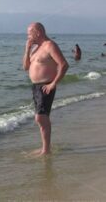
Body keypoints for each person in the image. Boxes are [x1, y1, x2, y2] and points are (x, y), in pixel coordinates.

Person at [22, 22, 69, 156]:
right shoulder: (35, 48)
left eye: (29, 33)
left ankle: (46, 150)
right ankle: (45, 148)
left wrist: (53, 83)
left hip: (46, 86)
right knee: (41, 118)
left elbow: (64, 65)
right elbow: (25, 67)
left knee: (40, 118)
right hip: (35, 87)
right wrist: (27, 50)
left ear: (38, 32)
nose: (27, 36)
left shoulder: (50, 45)